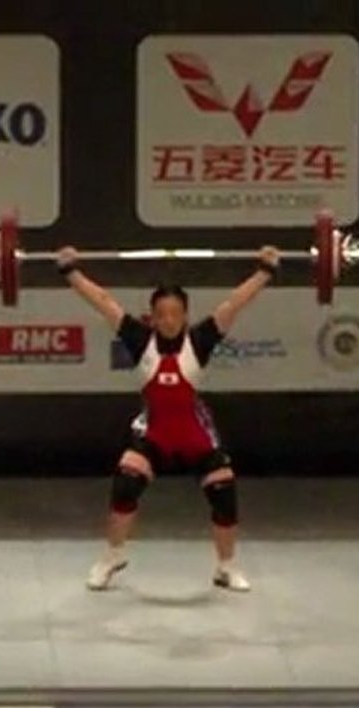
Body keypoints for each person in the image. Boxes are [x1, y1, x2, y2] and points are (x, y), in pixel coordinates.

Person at [57, 245, 281, 592]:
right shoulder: (139, 340)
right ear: (153, 316)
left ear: (185, 316)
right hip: (155, 433)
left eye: (176, 313)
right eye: (162, 313)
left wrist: (264, 271)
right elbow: (102, 301)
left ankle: (226, 566)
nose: (169, 319)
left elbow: (234, 304)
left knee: (224, 492)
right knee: (126, 483)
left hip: (195, 434)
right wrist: (71, 271)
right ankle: (112, 556)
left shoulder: (200, 341)